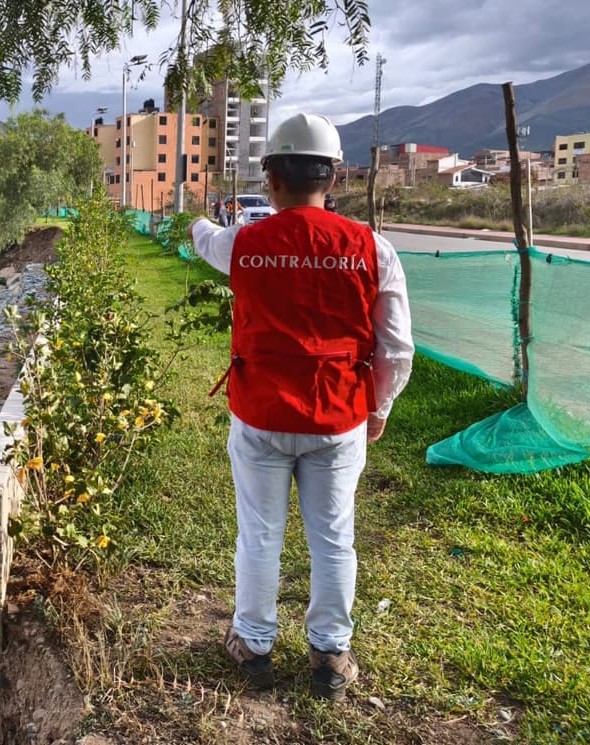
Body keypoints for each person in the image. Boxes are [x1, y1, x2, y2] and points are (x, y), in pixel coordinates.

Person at [188, 113, 414, 701]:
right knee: (334, 537)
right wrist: (379, 407)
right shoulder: (373, 248)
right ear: (333, 177)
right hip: (339, 416)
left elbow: (203, 237)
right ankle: (330, 656)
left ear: (271, 179)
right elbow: (395, 347)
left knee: (260, 534)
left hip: (261, 413)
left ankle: (254, 645)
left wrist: (194, 214)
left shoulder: (243, 242)